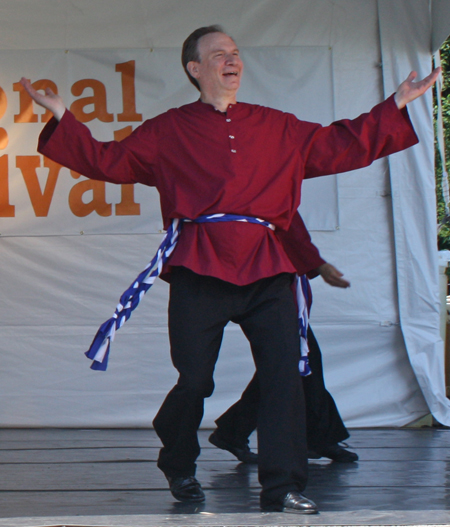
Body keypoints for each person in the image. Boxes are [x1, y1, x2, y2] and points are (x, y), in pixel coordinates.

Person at [20, 24, 437, 514]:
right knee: (195, 380)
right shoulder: (168, 129)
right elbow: (109, 161)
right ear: (195, 69)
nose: (230, 59)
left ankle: (281, 486)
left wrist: (396, 106)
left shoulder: (277, 125)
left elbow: (338, 143)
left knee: (285, 377)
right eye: (218, 54)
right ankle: (178, 464)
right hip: (201, 266)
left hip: (268, 268)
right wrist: (61, 115)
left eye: (234, 52)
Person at [209, 213, 358, 465]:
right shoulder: (263, 189)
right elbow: (288, 230)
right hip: (262, 282)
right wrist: (316, 264)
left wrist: (313, 263)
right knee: (296, 360)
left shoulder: (271, 188)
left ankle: (234, 431)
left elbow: (290, 230)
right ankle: (318, 437)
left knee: (293, 362)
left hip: (271, 277)